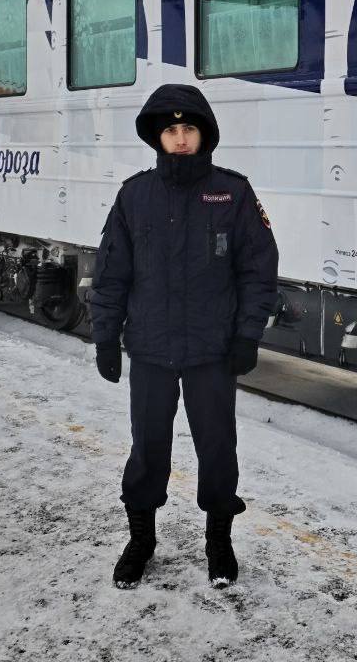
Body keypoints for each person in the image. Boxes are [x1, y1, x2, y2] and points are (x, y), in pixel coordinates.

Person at [89, 84, 278, 591]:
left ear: (204, 134)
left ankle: (219, 540)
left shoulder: (233, 193)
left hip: (212, 352)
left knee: (217, 448)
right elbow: (111, 274)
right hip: (150, 348)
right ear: (157, 135)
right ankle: (141, 539)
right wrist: (106, 337)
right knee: (147, 447)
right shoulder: (135, 195)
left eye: (188, 129)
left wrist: (247, 335)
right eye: (170, 130)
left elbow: (258, 271)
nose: (179, 138)